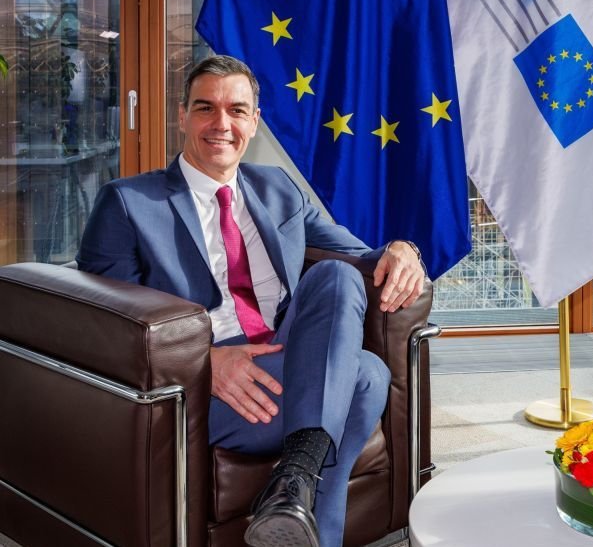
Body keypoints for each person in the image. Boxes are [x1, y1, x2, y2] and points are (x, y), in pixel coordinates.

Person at [76, 55, 425, 547]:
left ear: (254, 121)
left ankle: (293, 481)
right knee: (367, 377)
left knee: (334, 277)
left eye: (237, 110)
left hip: (288, 354)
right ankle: (302, 496)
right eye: (205, 108)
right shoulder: (129, 202)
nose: (222, 124)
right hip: (205, 388)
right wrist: (205, 363)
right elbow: (103, 323)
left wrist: (403, 249)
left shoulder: (278, 188)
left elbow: (356, 255)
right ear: (182, 116)